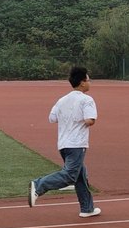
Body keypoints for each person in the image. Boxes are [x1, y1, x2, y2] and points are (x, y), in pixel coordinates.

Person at [28, 66, 101, 218]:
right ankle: (39, 185)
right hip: (77, 144)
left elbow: (52, 118)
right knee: (70, 176)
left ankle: (87, 208)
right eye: (88, 80)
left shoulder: (62, 100)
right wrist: (80, 119)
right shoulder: (87, 99)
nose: (90, 83)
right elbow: (90, 120)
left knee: (80, 175)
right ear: (82, 82)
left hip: (63, 144)